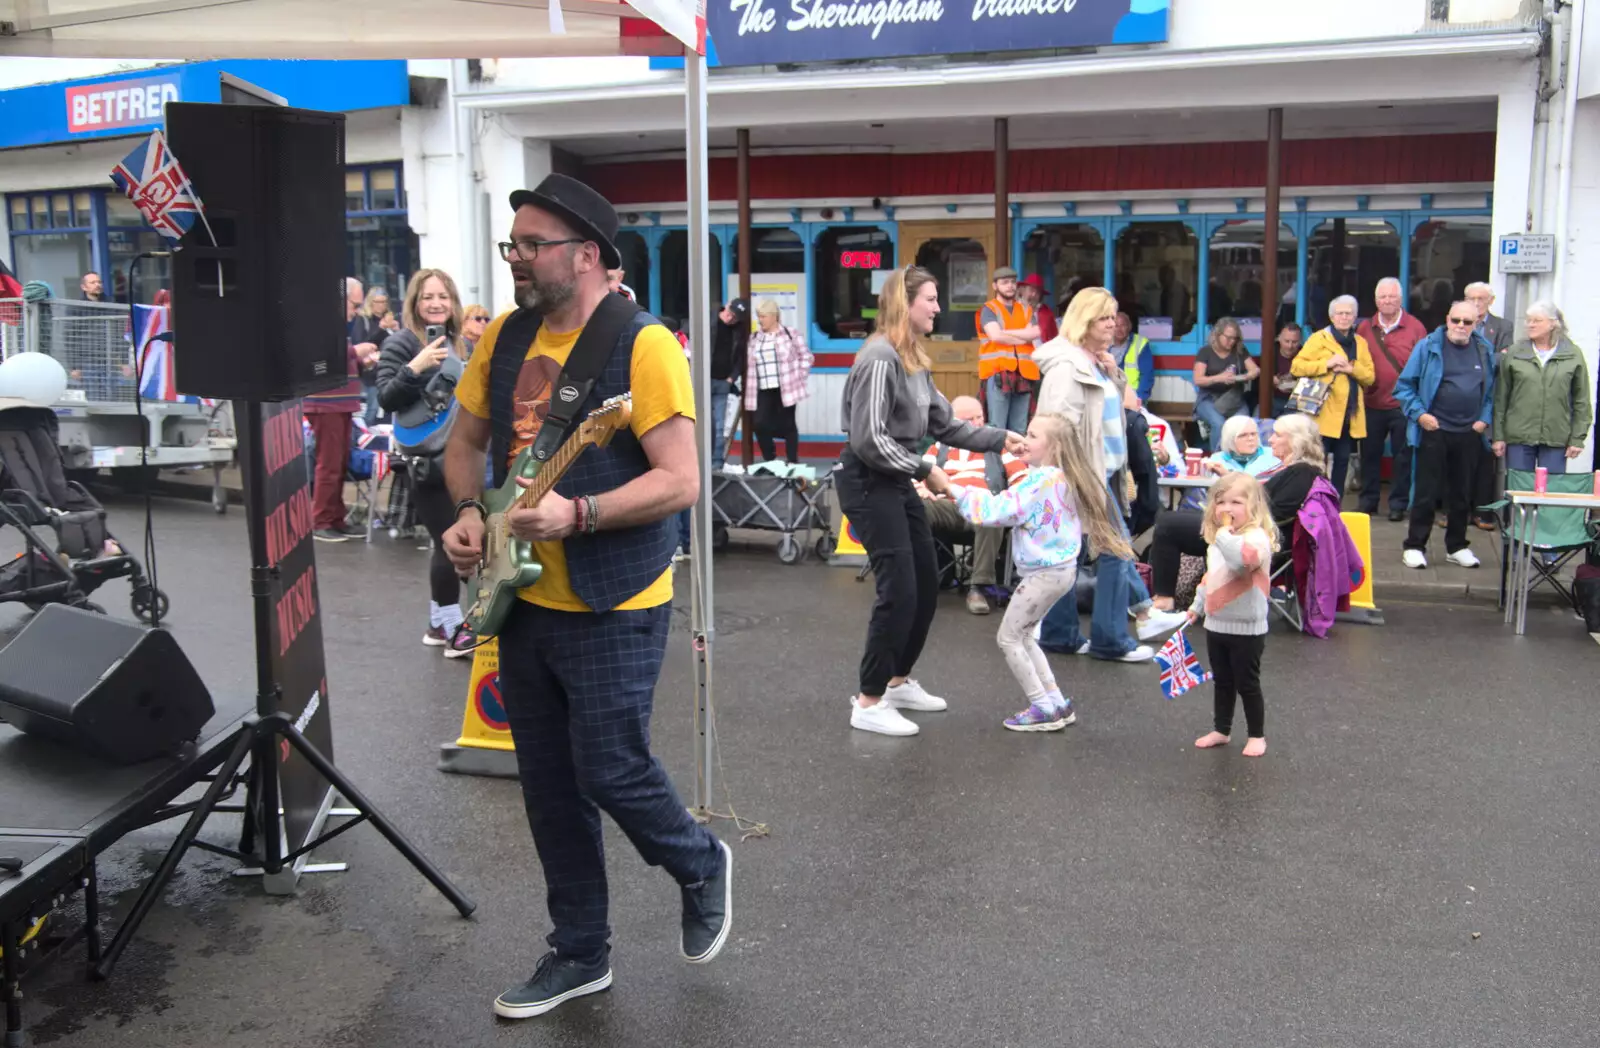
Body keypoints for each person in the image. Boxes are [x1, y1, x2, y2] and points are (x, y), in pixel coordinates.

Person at [439, 174, 731, 1019]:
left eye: (533, 245)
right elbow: (464, 445)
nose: (518, 260)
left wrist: (584, 510)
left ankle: (699, 861)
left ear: (590, 255)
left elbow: (680, 482)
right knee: (548, 786)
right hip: (519, 598)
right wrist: (467, 512)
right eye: (513, 245)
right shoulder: (504, 337)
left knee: (609, 766)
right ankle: (580, 952)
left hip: (615, 595)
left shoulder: (643, 347)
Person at [836, 264, 1021, 737]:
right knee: (897, 589)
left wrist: (1002, 439)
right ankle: (868, 700)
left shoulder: (913, 359)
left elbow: (949, 425)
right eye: (932, 299)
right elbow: (869, 440)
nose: (939, 308)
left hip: (895, 480)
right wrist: (927, 469)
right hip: (868, 482)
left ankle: (897, 681)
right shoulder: (880, 358)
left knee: (922, 582)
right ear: (905, 303)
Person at [928, 412, 1131, 732]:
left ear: (1056, 445)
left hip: (1043, 574)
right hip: (1060, 571)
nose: (1024, 438)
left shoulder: (1039, 481)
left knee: (1008, 638)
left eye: (1033, 435)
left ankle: (1042, 707)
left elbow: (1000, 510)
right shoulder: (1061, 477)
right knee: (1023, 636)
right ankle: (1055, 702)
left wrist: (952, 489)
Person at [1035, 287, 1185, 661]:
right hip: (1083, 476)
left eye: (1113, 316)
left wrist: (1113, 375)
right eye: (1104, 317)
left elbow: (1117, 409)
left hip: (1103, 474)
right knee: (1115, 554)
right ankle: (1111, 639)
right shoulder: (1068, 367)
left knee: (1070, 555)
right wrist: (1068, 478)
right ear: (1084, 321)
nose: (1112, 324)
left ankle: (1061, 634)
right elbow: (1057, 427)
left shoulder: (1091, 361)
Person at [376, 268, 478, 658]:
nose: (435, 304)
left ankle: (440, 623)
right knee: (447, 542)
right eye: (427, 297)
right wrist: (415, 368)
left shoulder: (464, 345)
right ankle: (451, 625)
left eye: (442, 297)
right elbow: (387, 398)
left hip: (466, 460)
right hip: (428, 464)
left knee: (470, 540)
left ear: (453, 303)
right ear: (415, 304)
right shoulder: (401, 343)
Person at [1147, 412, 1325, 612]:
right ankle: (1166, 598)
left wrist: (1225, 515)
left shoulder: (1300, 473)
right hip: (1250, 529)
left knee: (1168, 524)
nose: (1270, 439)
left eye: (1277, 435)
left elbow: (1271, 513)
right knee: (1171, 521)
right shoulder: (1298, 470)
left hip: (1250, 537)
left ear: (1295, 440)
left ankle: (1164, 600)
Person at [1393, 299, 1496, 570]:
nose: (1461, 326)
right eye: (1456, 320)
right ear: (1447, 319)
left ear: (1476, 324)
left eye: (1468, 322)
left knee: (1462, 494)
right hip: (1435, 429)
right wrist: (1421, 415)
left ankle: (1457, 546)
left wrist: (1484, 420)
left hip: (1469, 432)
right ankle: (1415, 546)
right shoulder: (1428, 346)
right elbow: (1404, 387)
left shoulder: (1485, 349)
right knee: (1426, 492)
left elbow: (1492, 393)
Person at [1187, 472, 1276, 759]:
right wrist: (1197, 606)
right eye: (1220, 502)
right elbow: (1211, 578)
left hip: (1247, 627)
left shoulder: (1256, 539)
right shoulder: (1218, 543)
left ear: (1253, 507)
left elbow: (1242, 560)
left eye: (1236, 502)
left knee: (1247, 683)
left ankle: (1256, 735)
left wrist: (1223, 534)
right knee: (1222, 681)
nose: (1226, 509)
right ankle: (1221, 729)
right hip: (1217, 624)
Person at [915, 395, 1027, 616]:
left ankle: (979, 588)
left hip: (983, 507)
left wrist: (1004, 500)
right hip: (947, 506)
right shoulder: (938, 448)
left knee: (991, 512)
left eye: (980, 418)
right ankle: (922, 578)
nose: (977, 424)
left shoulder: (999, 447)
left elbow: (1022, 481)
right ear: (954, 423)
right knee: (913, 505)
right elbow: (916, 474)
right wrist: (922, 489)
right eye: (969, 420)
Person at [307, 278, 380, 542]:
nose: (357, 311)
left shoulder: (334, 325)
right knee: (329, 465)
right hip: (326, 404)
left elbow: (337, 361)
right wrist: (354, 351)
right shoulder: (319, 322)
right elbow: (319, 357)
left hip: (340, 403)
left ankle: (335, 517)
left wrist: (361, 362)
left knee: (338, 463)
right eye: (355, 304)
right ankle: (322, 520)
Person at [1354, 277, 1427, 521]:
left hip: (1403, 406)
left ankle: (1398, 505)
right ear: (1376, 301)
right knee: (1369, 456)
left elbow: (1425, 366)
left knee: (1402, 458)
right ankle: (1368, 502)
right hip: (1371, 404)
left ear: (1401, 300)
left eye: (1392, 297)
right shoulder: (1364, 328)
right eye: (1382, 297)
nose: (1387, 301)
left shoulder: (1416, 328)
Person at [1491, 300, 1591, 474]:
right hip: (1519, 436)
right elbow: (1501, 397)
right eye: (1528, 320)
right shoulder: (1515, 352)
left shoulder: (1572, 354)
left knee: (1551, 492)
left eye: (1537, 320)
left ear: (1553, 323)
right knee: (1518, 490)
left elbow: (1581, 400)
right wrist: (1498, 436)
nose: (1530, 324)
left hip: (1556, 437)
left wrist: (1577, 438)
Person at [1291, 295, 1375, 496]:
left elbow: (1370, 377)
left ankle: (1335, 503)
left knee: (1343, 461)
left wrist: (1350, 368)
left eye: (1349, 314)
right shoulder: (1319, 338)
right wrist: (1325, 365)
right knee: (1317, 461)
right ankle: (1314, 499)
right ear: (1331, 317)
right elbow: (1297, 367)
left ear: (1355, 317)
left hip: (1348, 414)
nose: (1344, 317)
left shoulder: (1360, 342)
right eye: (1340, 313)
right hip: (1322, 411)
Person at [742, 299, 811, 464]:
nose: (760, 320)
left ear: (774, 317)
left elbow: (806, 357)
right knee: (759, 424)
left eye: (763, 316)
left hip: (785, 387)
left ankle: (793, 461)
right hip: (762, 388)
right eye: (759, 316)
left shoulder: (790, 334)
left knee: (788, 425)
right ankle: (771, 460)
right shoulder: (755, 338)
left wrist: (799, 376)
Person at [976, 265, 1040, 435]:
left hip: (1024, 374)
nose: (1010, 286)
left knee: (1020, 430)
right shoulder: (989, 309)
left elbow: (1035, 333)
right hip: (998, 374)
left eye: (1012, 282)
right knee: (997, 428)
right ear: (995, 286)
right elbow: (995, 336)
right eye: (1005, 282)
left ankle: (1016, 463)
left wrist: (1005, 333)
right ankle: (997, 463)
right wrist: (1022, 335)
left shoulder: (1026, 309)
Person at [1192, 317, 1259, 450]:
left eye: (1234, 338)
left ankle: (1241, 457)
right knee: (1219, 424)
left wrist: (1249, 375)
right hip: (1208, 399)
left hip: (1234, 399)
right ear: (1217, 335)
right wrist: (1219, 378)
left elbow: (1255, 369)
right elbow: (1198, 379)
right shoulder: (1206, 352)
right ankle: (1217, 459)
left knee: (1244, 425)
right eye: (1228, 337)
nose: (1231, 341)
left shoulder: (1240, 350)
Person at [709, 298, 748, 472]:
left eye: (735, 318)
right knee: (701, 423)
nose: (730, 319)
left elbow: (741, 357)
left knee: (719, 425)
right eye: (729, 314)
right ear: (726, 306)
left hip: (723, 381)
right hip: (702, 380)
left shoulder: (739, 331)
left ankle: (717, 463)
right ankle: (701, 460)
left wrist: (731, 378)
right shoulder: (708, 319)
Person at [350, 286, 393, 423]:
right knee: (372, 409)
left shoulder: (390, 320)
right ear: (370, 302)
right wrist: (381, 329)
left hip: (388, 370)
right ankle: (365, 436)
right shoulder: (363, 320)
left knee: (388, 410)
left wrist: (396, 330)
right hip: (370, 372)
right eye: (378, 302)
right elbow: (361, 344)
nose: (381, 305)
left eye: (384, 302)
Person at [1206, 415, 1279, 478]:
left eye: (1253, 434)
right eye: (1243, 435)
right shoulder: (1217, 460)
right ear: (1230, 440)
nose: (1250, 438)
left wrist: (1227, 475)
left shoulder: (1273, 455)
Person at [1116, 312, 1154, 406]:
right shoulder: (1103, 343)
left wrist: (1140, 397)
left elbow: (1147, 375)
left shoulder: (1140, 343)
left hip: (1133, 396)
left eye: (1123, 325)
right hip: (1109, 396)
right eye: (1116, 325)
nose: (1119, 329)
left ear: (1129, 327)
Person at [1270, 322, 1304, 416]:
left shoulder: (1305, 355)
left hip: (1296, 402)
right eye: (1287, 341)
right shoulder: (1269, 352)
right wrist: (1270, 379)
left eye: (1294, 342)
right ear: (1279, 338)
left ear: (1300, 341)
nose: (1290, 346)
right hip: (1272, 400)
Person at [1018, 274, 1058, 343]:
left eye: (1038, 292)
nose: (1034, 295)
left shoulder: (1047, 313)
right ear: (1023, 290)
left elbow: (1055, 340)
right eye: (1031, 290)